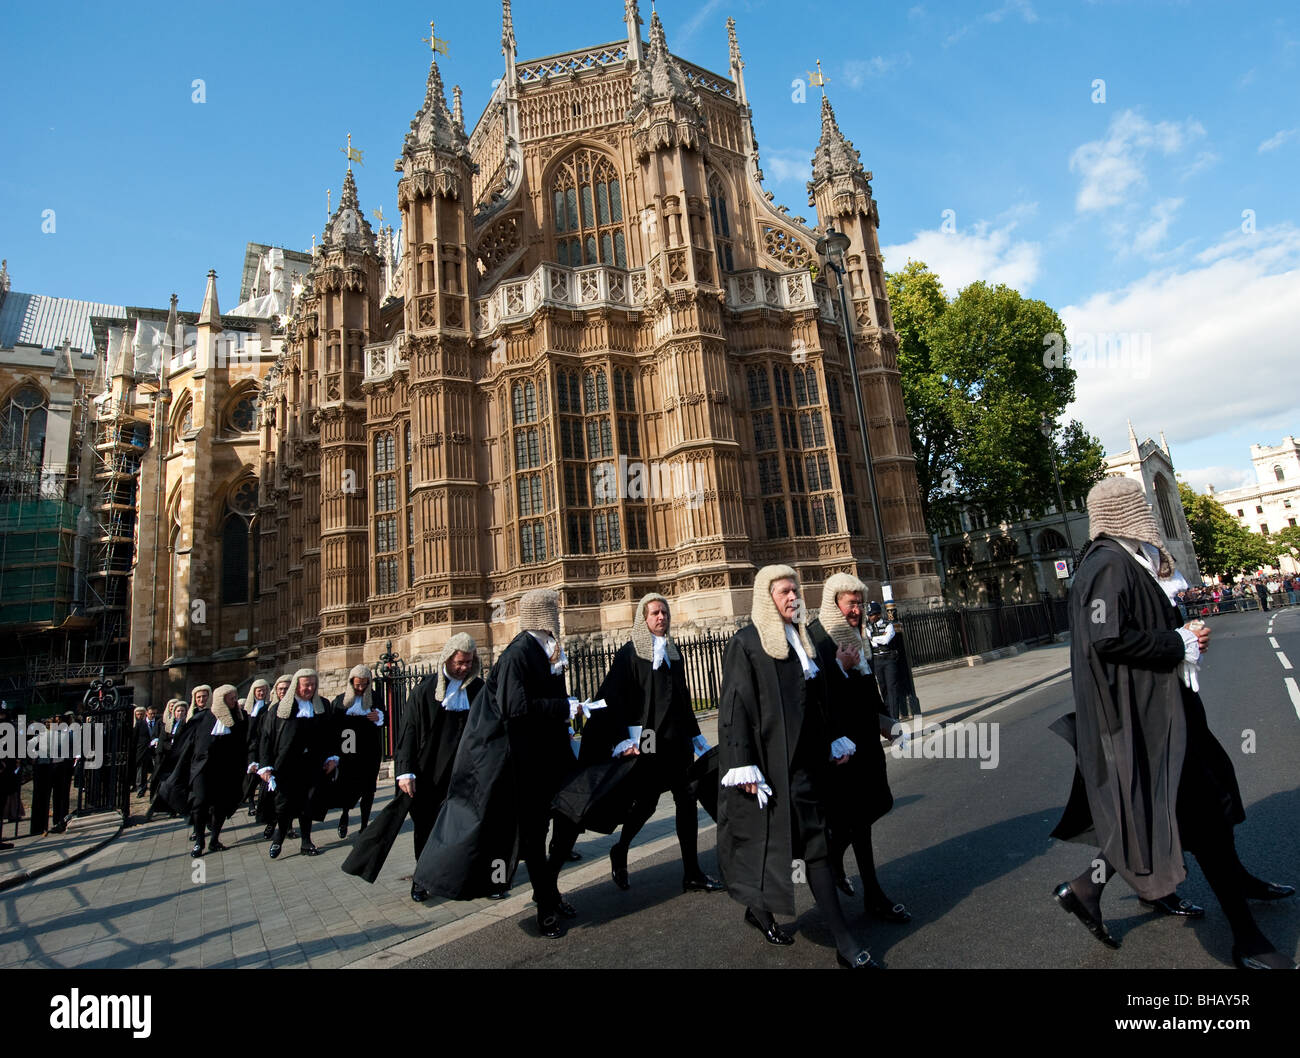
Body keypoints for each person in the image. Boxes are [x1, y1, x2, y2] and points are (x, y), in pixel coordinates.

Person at [1051, 477, 1296, 969]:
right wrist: (1177, 641)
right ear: (1123, 511)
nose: (1147, 510)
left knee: (1207, 796)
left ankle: (1088, 889)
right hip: (1147, 721)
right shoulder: (1106, 565)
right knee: (1200, 815)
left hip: (1168, 707)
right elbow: (1106, 638)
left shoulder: (1126, 560)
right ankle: (1246, 938)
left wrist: (1180, 635)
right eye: (1139, 504)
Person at [717, 564, 879, 969]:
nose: (793, 597)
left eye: (795, 590)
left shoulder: (803, 641)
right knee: (770, 846)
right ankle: (761, 911)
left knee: (816, 849)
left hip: (806, 769)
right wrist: (743, 764)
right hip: (770, 768)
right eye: (785, 592)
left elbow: (817, 701)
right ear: (766, 598)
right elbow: (733, 706)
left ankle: (844, 943)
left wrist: (833, 739)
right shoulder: (747, 643)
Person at [413, 589, 582, 938]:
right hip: (525, 764)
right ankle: (546, 908)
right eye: (553, 610)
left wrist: (567, 710)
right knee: (535, 837)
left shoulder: (548, 650)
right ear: (545, 615)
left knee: (570, 820)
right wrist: (563, 708)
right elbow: (515, 708)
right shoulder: (519, 653)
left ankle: (546, 890)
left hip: (552, 756)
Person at [582, 592, 721, 896]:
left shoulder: (673, 652)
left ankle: (692, 872)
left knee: (687, 801)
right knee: (646, 804)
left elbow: (683, 697)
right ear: (643, 619)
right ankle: (621, 849)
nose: (661, 618)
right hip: (648, 742)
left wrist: (696, 735)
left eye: (664, 613)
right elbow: (612, 701)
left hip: (677, 742)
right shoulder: (629, 655)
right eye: (655, 613)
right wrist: (621, 740)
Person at [345, 635, 484, 898]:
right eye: (459, 663)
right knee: (426, 829)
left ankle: (463, 876)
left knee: (464, 829)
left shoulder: (478, 689)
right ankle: (422, 879)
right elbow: (407, 732)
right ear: (447, 658)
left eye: (468, 662)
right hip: (428, 774)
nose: (464, 668)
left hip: (465, 774)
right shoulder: (425, 690)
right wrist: (404, 772)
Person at [807, 573, 910, 923]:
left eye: (859, 603)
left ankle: (843, 867)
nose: (857, 610)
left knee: (875, 807)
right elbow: (813, 694)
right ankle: (869, 891)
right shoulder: (817, 638)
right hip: (840, 749)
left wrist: (888, 722)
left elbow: (868, 688)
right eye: (851, 603)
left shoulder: (853, 635)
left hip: (865, 742)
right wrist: (839, 666)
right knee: (856, 820)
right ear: (834, 603)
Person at [257, 669, 339, 859]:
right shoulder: (280, 709)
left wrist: (333, 758)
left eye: (312, 684)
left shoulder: (323, 706)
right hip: (287, 765)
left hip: (313, 764)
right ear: (297, 686)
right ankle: (278, 838)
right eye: (306, 685)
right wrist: (265, 766)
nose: (309, 688)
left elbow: (332, 734)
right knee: (285, 805)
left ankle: (306, 841)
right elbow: (266, 738)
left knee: (308, 803)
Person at [158, 684, 248, 856]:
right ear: (221, 699)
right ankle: (199, 840)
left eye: (235, 697)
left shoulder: (239, 719)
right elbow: (185, 744)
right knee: (199, 803)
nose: (234, 701)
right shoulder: (201, 718)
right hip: (202, 770)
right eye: (231, 698)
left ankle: (214, 839)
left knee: (221, 805)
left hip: (225, 770)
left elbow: (244, 744)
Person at [330, 665, 384, 839]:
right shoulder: (340, 700)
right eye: (357, 685)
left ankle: (363, 825)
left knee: (369, 789)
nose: (360, 689)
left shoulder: (375, 698)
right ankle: (344, 816)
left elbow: (387, 719)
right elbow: (333, 727)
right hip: (349, 747)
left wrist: (379, 718)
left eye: (364, 685)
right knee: (348, 786)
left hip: (370, 748)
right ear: (351, 682)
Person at [866, 602, 905, 721]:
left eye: (871, 615)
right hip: (877, 659)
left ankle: (894, 717)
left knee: (892, 687)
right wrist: (876, 639)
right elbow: (872, 641)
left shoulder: (888, 625)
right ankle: (888, 715)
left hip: (889, 659)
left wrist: (873, 638)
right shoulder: (867, 627)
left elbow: (885, 640)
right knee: (883, 688)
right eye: (869, 615)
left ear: (877, 614)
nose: (870, 617)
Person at [133, 705, 161, 798]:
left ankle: (155, 789)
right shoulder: (140, 724)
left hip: (155, 751)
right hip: (143, 751)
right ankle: (141, 789)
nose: (152, 715)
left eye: (154, 713)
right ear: (146, 714)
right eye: (150, 714)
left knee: (156, 770)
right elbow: (135, 739)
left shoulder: (159, 722)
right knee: (142, 771)